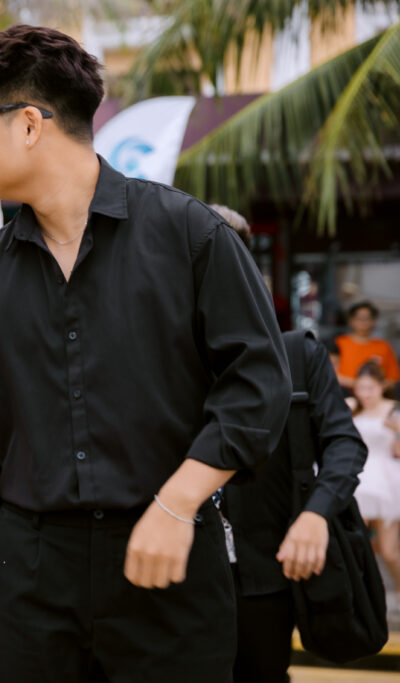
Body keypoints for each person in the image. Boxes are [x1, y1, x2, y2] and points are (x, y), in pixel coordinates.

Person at [0, 25, 290, 682]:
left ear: (28, 124)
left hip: (169, 560)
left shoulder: (188, 232)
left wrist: (177, 503)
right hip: (29, 577)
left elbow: (258, 384)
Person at [212, 205, 368, 682]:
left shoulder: (298, 354)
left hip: (266, 568)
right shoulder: (163, 360)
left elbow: (345, 444)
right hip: (178, 569)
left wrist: (316, 514)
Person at [347, 362, 400, 608]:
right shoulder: (353, 409)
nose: (365, 394)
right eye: (360, 388)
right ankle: (360, 598)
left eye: (370, 388)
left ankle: (398, 590)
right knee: (356, 544)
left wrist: (398, 432)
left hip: (386, 480)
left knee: (389, 551)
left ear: (382, 386)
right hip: (358, 479)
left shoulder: (393, 411)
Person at [336, 301, 399, 391]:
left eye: (367, 318)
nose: (363, 322)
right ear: (351, 320)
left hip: (376, 395)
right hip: (344, 393)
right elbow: (330, 373)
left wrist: (373, 389)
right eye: (359, 318)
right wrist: (362, 386)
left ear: (374, 321)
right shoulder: (339, 343)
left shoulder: (383, 346)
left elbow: (393, 378)